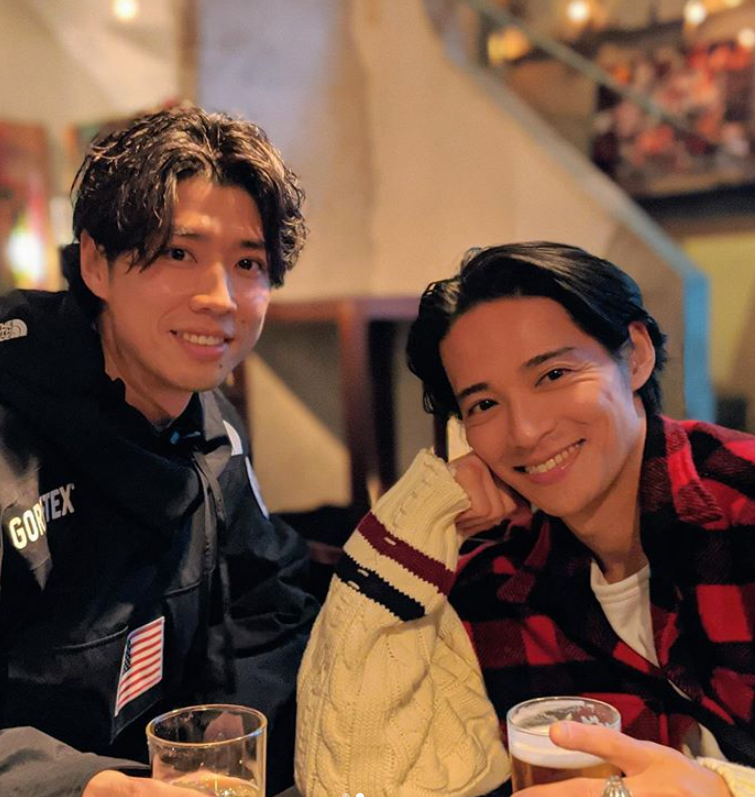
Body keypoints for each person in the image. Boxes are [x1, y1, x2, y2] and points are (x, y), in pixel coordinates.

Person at [295, 242, 755, 797]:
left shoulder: (742, 506)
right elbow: (352, 783)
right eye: (484, 405)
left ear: (635, 356)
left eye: (554, 374)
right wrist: (416, 513)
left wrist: (722, 791)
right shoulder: (492, 590)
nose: (526, 432)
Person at [0, 105, 319, 797]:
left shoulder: (211, 425)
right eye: (179, 253)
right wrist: (86, 784)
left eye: (248, 263)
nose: (220, 297)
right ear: (96, 263)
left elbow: (266, 602)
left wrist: (229, 741)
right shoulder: (12, 432)